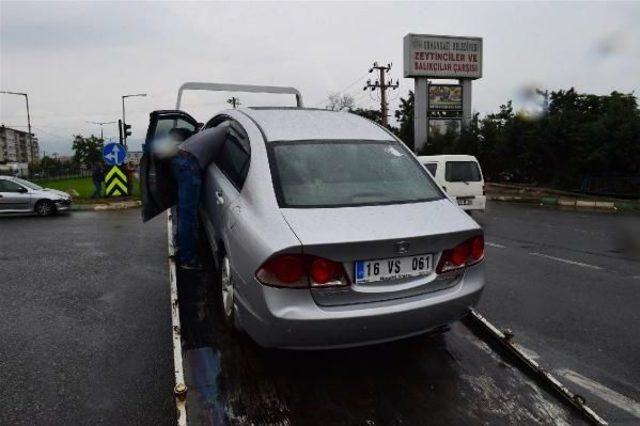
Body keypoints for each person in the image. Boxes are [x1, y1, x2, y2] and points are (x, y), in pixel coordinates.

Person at [154, 126, 228, 270]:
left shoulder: (217, 129)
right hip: (188, 164)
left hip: (181, 159)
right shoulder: (231, 132)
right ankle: (187, 259)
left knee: (184, 213)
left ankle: (180, 247)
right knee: (188, 216)